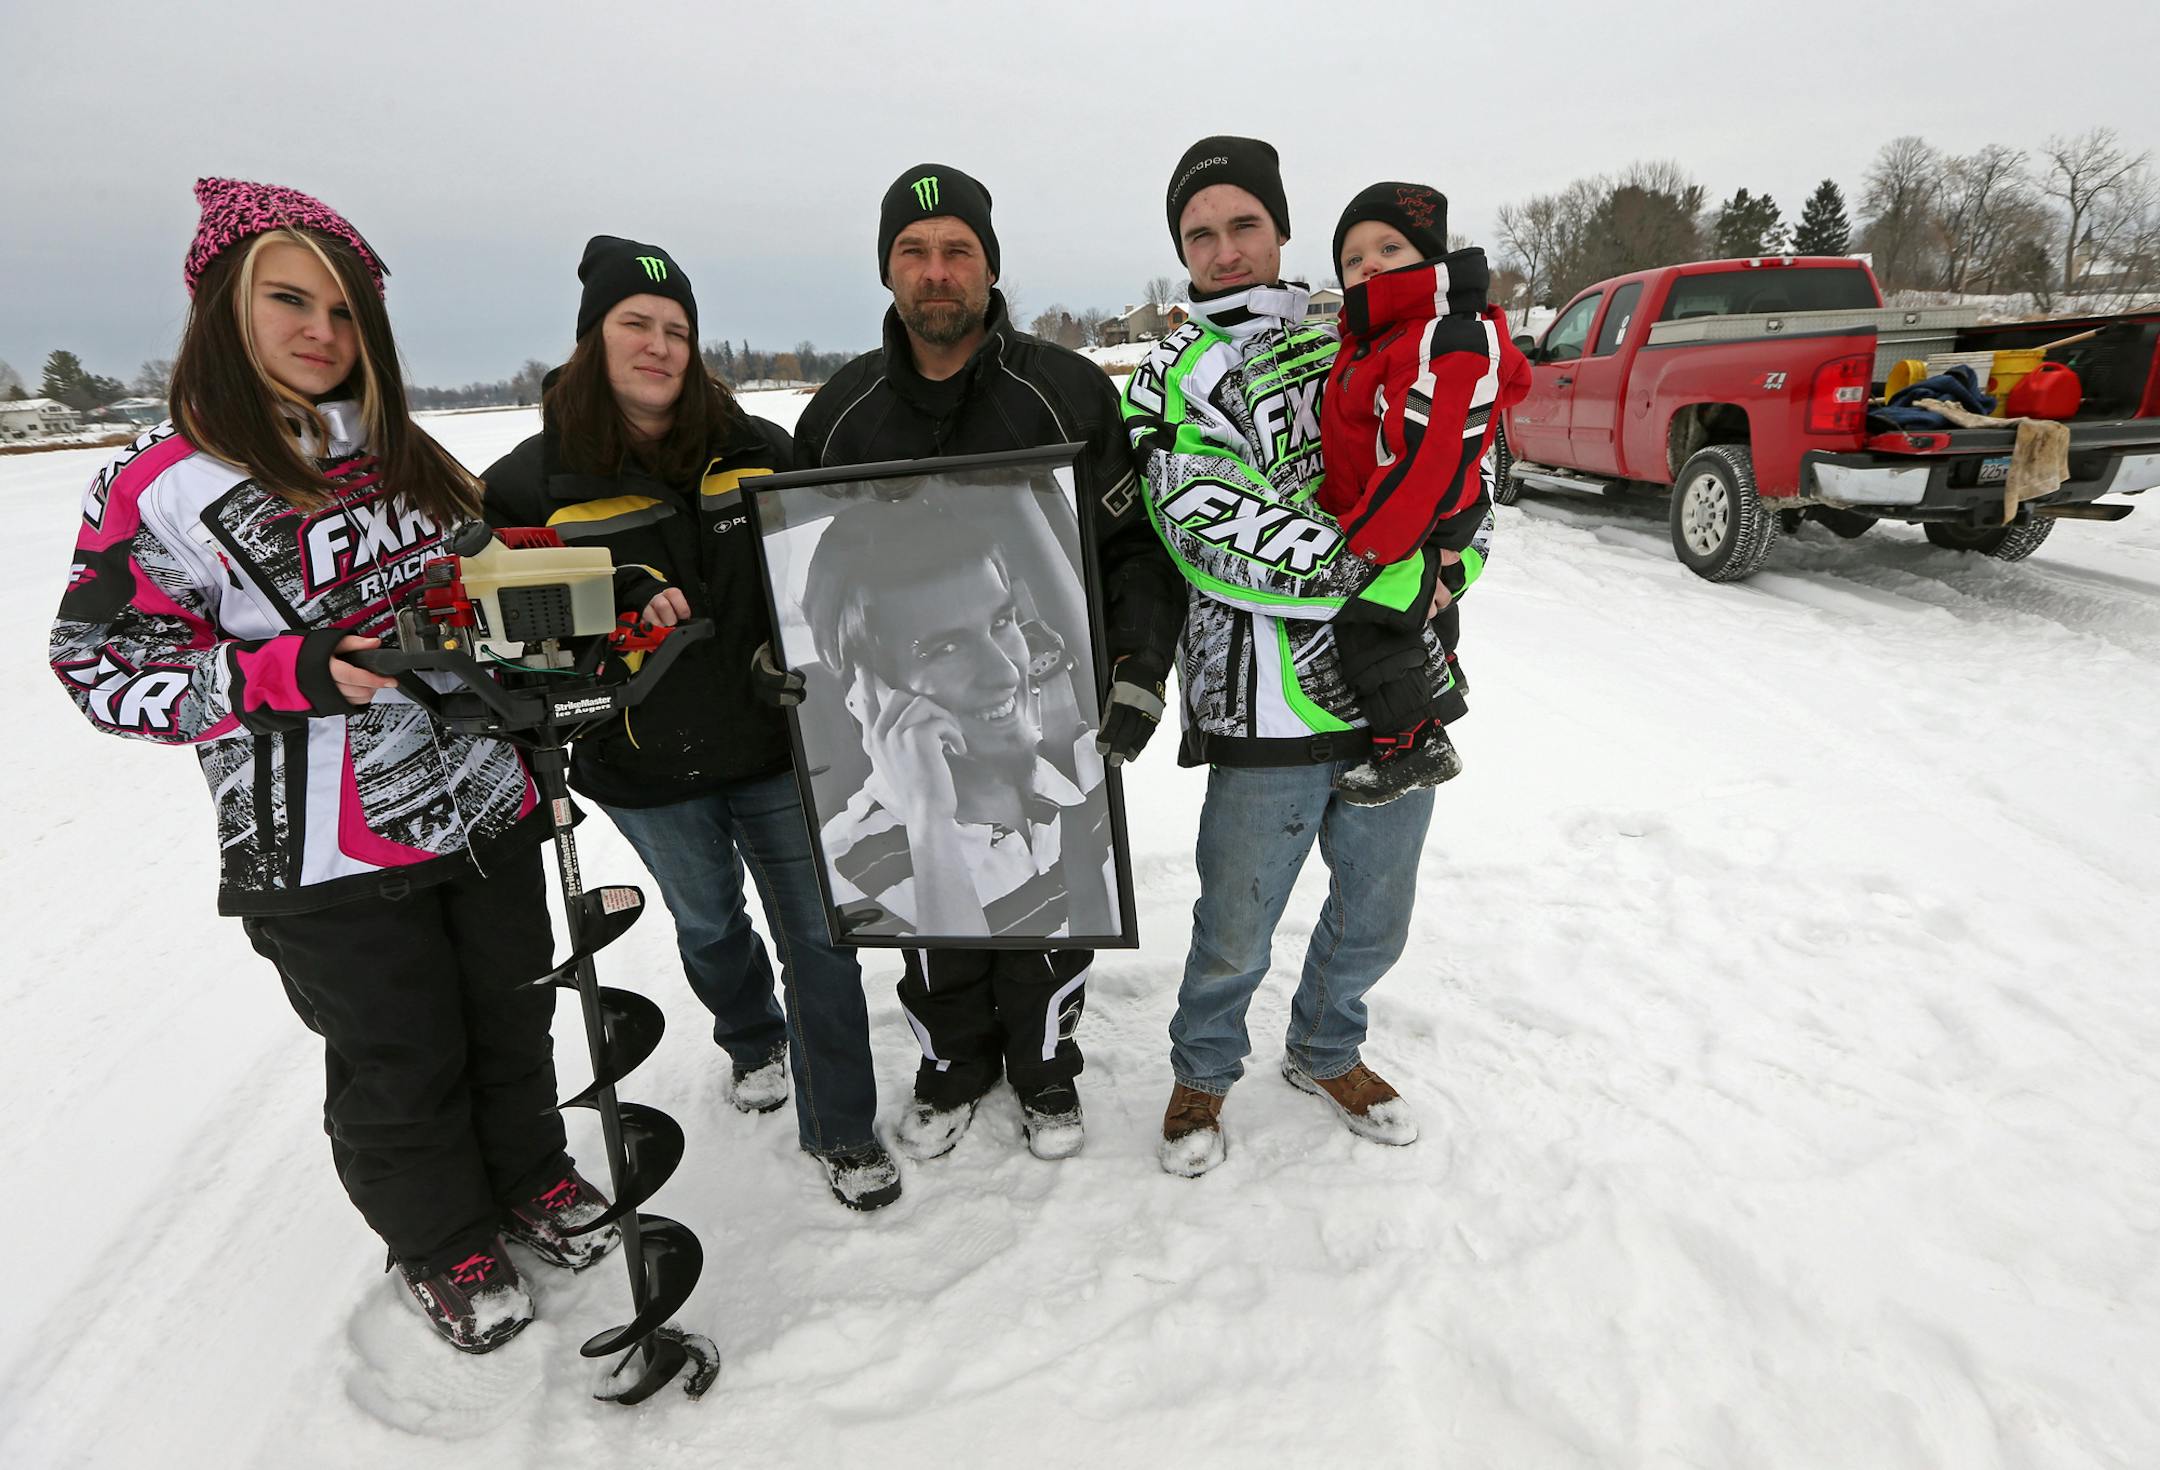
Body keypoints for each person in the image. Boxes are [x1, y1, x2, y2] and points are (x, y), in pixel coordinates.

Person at [49, 178, 613, 1354]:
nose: (323, 332)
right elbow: (98, 665)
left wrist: (591, 586)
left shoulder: (402, 453)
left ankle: (530, 1174)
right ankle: (442, 1234)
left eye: (347, 311)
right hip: (324, 850)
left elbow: (480, 568)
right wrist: (285, 674)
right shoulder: (163, 486)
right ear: (221, 313)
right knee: (401, 1053)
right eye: (290, 302)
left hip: (484, 799)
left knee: (510, 1017)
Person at [481, 238, 899, 1212]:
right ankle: (752, 1037)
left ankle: (842, 1127)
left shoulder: (758, 448)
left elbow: (824, 579)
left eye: (677, 330)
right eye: (638, 324)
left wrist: (800, 654)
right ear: (594, 337)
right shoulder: (530, 483)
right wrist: (613, 617)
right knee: (711, 923)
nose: (660, 345)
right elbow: (507, 638)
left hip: (773, 747)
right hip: (645, 770)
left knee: (824, 935)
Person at [1121, 138, 1504, 1176]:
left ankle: (1327, 1047)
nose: (1224, 249)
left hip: (1397, 691)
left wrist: (1447, 574)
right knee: (1235, 926)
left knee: (1375, 912)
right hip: (1262, 705)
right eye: (1199, 234)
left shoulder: (1363, 327)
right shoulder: (1173, 367)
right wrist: (1372, 570)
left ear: (1283, 231)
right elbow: (1203, 522)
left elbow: (1467, 469)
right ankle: (1203, 1069)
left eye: (1244, 225)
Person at [791, 163, 1183, 1163]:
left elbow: (1135, 548)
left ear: (988, 266)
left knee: (1058, 919)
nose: (936, 272)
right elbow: (818, 574)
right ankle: (953, 1062)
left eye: (956, 250)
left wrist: (1136, 664)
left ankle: (1047, 1067)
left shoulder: (1065, 394)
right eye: (913, 254)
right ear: (888, 272)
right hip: (925, 739)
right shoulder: (837, 417)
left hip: (1062, 723)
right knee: (933, 947)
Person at [799, 493, 1118, 943]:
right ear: (869, 690)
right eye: (944, 648)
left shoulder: (1087, 766)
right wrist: (929, 820)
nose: (1006, 673)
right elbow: (957, 994)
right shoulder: (848, 867)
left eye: (1002, 621)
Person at [1318, 181, 1531, 804]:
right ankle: (1439, 682)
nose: (1370, 265)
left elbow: (1430, 458)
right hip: (1402, 514)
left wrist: (1371, 545)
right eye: (1353, 259)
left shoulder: (1441, 339)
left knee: (1374, 623)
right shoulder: (1379, 335)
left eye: (1390, 247)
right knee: (1415, 615)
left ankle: (1413, 744)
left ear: (1430, 258)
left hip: (1417, 517)